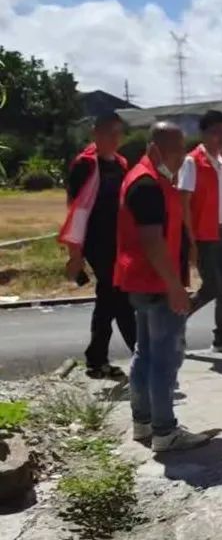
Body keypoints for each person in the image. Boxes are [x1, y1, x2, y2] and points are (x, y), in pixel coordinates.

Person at [115, 122, 213, 453]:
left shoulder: (146, 178)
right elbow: (151, 240)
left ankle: (142, 423)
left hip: (140, 280)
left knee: (145, 353)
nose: (179, 160)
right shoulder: (147, 185)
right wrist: (174, 286)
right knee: (164, 358)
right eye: (174, 153)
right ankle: (165, 431)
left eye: (182, 153)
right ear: (154, 149)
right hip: (155, 282)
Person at [59, 112, 135, 379]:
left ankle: (96, 358)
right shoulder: (85, 165)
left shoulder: (121, 164)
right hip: (96, 241)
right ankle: (141, 354)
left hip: (120, 241)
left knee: (109, 298)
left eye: (117, 134)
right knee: (120, 296)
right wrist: (75, 253)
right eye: (107, 134)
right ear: (95, 134)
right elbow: (76, 209)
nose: (113, 139)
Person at [178, 110, 222, 353]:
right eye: (215, 133)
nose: (220, 138)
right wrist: (189, 240)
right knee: (212, 287)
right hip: (202, 236)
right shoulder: (192, 161)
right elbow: (183, 201)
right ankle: (178, 321)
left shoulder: (221, 163)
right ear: (203, 134)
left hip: (221, 231)